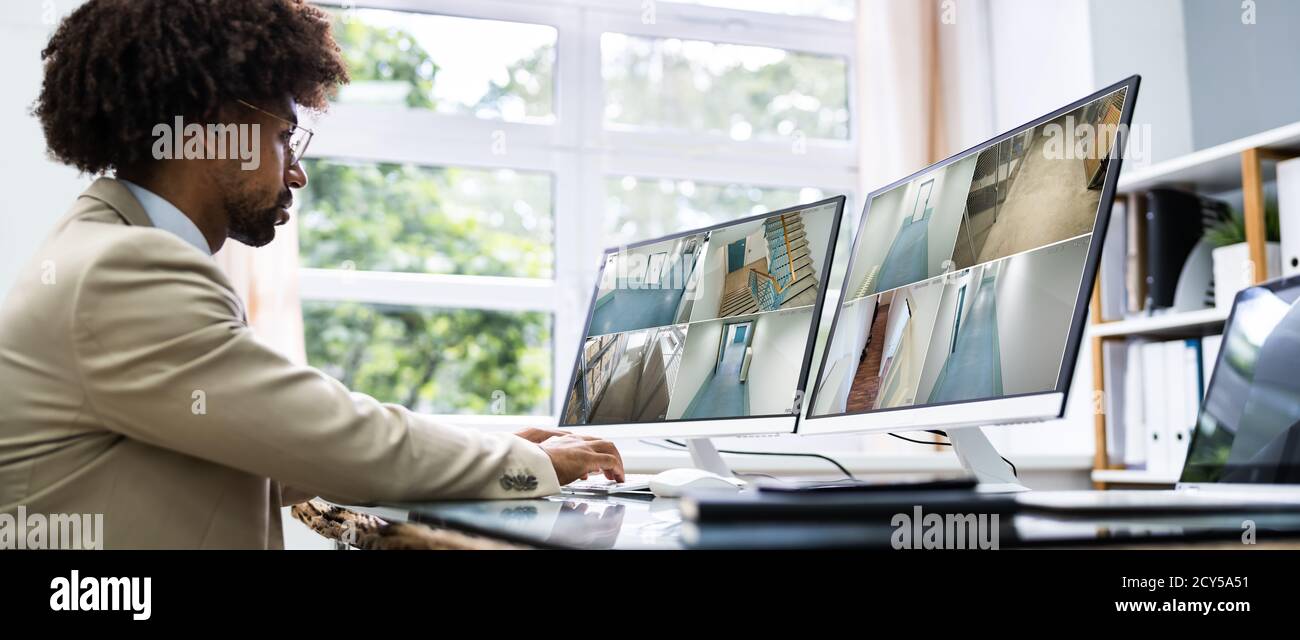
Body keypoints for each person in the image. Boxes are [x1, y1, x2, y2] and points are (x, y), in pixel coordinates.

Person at [0, 0, 623, 549]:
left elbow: (283, 438)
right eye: (283, 139)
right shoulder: (126, 268)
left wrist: (501, 447)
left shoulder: (103, 246)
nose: (295, 173)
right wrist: (530, 462)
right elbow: (342, 440)